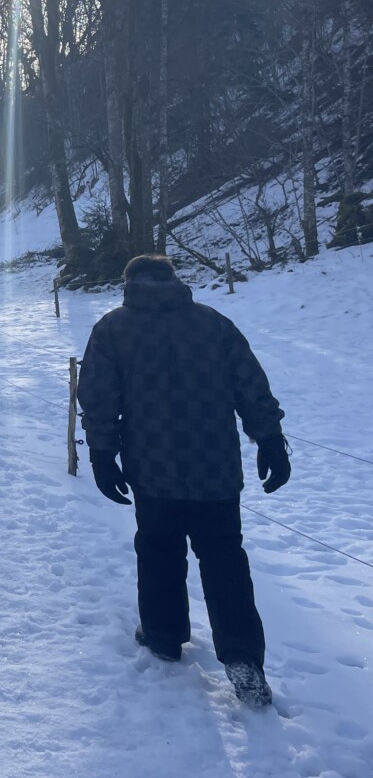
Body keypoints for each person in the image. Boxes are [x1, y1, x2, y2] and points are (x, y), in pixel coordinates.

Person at [76, 254, 289, 708]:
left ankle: (163, 634)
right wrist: (271, 439)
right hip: (215, 467)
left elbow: (97, 396)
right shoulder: (213, 323)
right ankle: (243, 657)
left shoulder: (113, 328)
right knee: (224, 555)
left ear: (129, 282)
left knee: (158, 549)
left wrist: (101, 454)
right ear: (174, 279)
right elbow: (251, 385)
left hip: (152, 467)